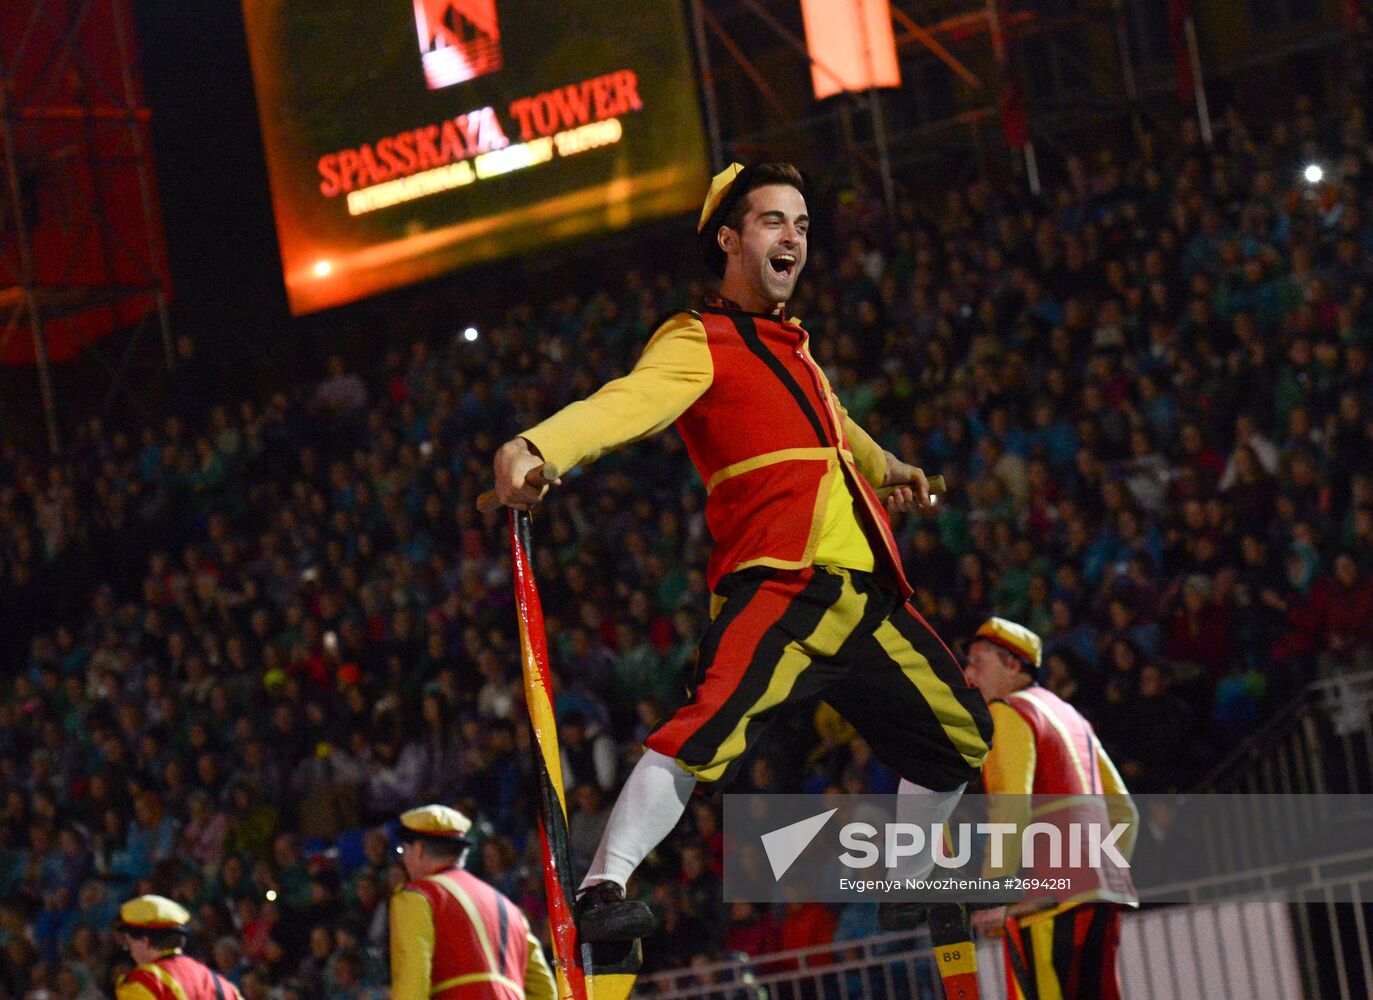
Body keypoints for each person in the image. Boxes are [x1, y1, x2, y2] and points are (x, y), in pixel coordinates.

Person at [493, 162, 993, 940]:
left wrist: (884, 466)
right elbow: (625, 404)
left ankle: (911, 879)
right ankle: (601, 888)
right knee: (706, 727)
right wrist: (536, 446)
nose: (791, 236)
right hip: (785, 580)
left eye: (800, 224)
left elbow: (833, 423)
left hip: (861, 588)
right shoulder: (699, 338)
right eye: (771, 222)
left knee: (959, 729)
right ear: (727, 239)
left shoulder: (791, 346)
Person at [963, 617, 1138, 1000]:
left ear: (1012, 665)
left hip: (1046, 903)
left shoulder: (1008, 712)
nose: (967, 673)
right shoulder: (1072, 717)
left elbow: (1011, 805)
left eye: (977, 661)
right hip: (1100, 898)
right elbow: (1125, 810)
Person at [389, 804, 555, 1000]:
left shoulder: (418, 897)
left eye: (403, 850)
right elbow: (545, 990)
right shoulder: (508, 907)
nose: (404, 860)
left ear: (418, 849)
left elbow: (412, 979)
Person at [114, 894, 244, 1000]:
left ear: (144, 941)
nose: (130, 953)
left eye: (128, 944)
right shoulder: (223, 985)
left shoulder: (145, 983)